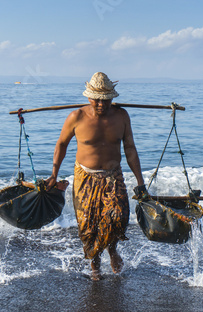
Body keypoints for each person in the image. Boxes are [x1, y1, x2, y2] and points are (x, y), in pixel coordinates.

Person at [44, 72, 147, 280]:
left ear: (112, 98)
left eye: (106, 100)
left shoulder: (121, 116)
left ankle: (112, 250)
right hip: (85, 176)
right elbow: (61, 144)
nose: (101, 104)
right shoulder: (77, 117)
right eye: (97, 100)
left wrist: (140, 182)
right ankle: (95, 264)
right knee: (88, 224)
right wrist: (54, 174)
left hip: (113, 175)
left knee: (118, 217)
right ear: (89, 98)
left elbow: (130, 148)